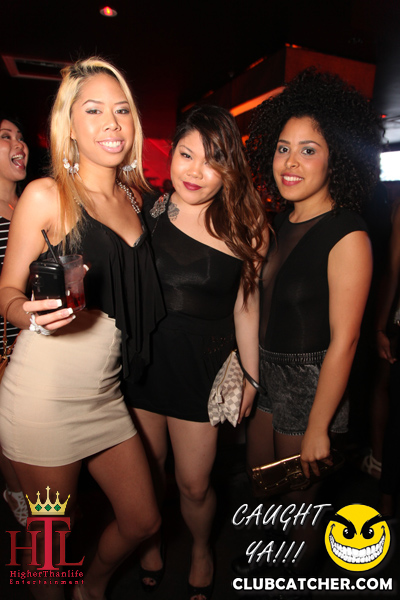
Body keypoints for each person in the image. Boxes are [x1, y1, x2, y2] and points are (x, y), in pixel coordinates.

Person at [0, 57, 165, 600]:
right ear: (69, 125)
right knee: (50, 548)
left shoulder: (136, 198)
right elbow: (6, 291)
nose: (112, 123)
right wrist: (29, 314)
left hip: (104, 396)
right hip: (44, 398)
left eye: (122, 110)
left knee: (143, 520)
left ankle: (90, 589)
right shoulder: (46, 195)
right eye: (93, 110)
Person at [124, 105, 268, 600]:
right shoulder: (148, 210)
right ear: (172, 154)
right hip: (143, 365)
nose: (196, 171)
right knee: (147, 475)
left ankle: (203, 549)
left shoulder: (245, 225)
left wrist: (251, 377)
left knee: (194, 484)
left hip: (200, 373)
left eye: (213, 161)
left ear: (230, 169)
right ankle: (151, 542)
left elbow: (247, 307)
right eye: (187, 154)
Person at [244, 68, 382, 574]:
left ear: (335, 158)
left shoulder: (349, 234)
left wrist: (319, 427)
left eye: (308, 150)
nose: (291, 162)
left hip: (311, 385)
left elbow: (346, 341)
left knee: (298, 509)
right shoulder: (282, 221)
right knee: (263, 486)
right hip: (269, 375)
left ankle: (293, 578)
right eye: (283, 148)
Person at [0, 113, 30, 527]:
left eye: (20, 137)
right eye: (5, 137)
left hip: (32, 338)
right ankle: (17, 493)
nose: (18, 143)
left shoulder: (30, 205)